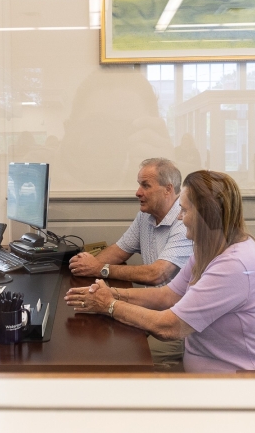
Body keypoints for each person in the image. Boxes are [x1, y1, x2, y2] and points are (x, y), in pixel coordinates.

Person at [64, 170, 255, 373]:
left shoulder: (234, 265)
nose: (178, 216)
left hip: (252, 388)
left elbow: (170, 327)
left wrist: (109, 305)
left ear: (207, 215)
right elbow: (168, 295)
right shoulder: (210, 248)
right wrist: (112, 293)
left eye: (184, 210)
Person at [68, 157, 192, 368]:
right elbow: (118, 251)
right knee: (97, 340)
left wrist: (100, 269)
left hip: (177, 327)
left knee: (125, 360)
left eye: (145, 185)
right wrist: (87, 266)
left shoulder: (184, 223)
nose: (137, 192)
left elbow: (157, 274)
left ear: (168, 189)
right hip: (152, 309)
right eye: (139, 184)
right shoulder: (146, 216)